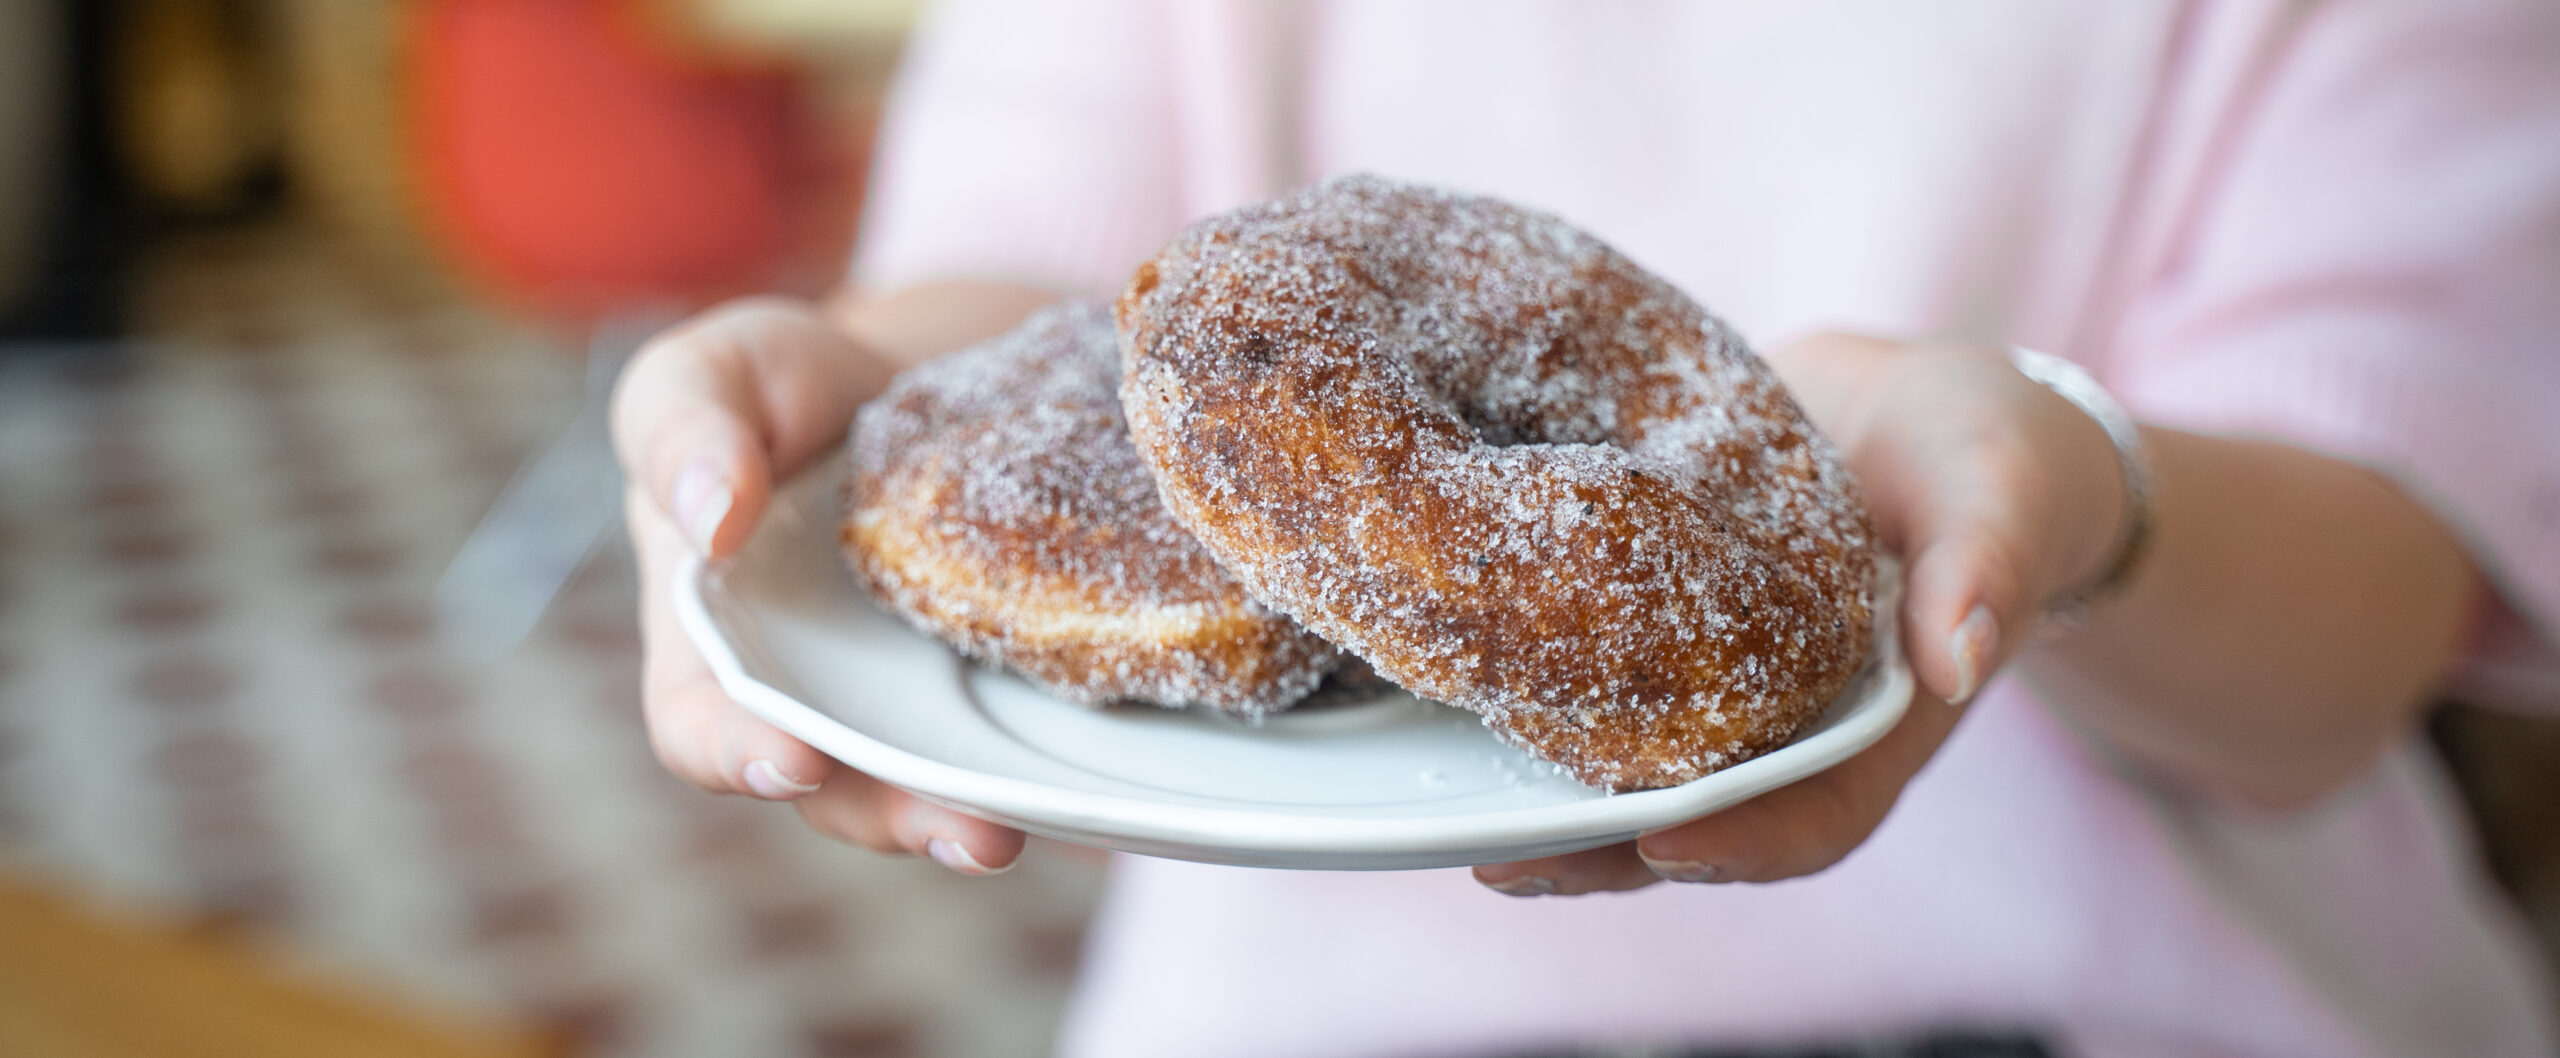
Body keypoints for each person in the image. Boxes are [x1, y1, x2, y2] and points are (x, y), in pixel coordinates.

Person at [608, 2, 2560, 1055]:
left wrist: (2075, 493)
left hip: (2161, 1004)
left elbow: (2369, 596)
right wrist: (817, 388)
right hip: (1312, 1010)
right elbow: (1029, 302)